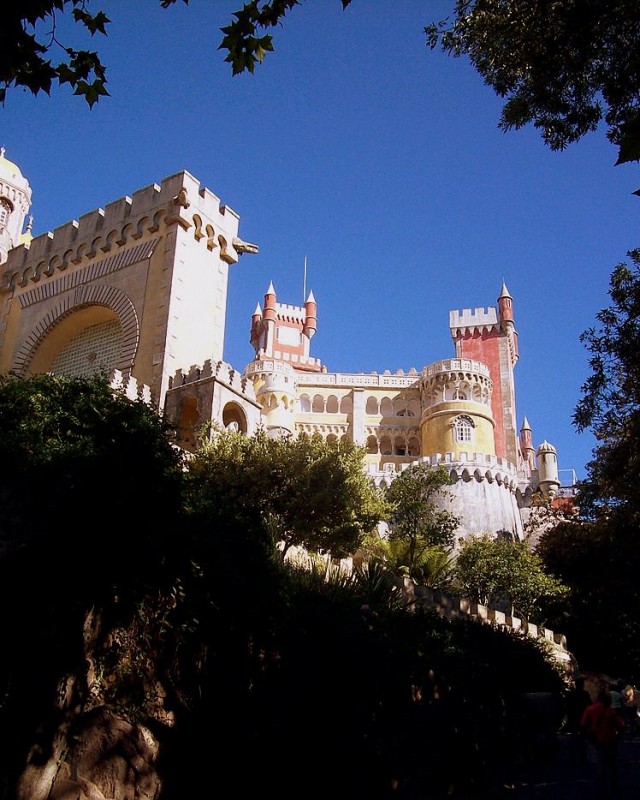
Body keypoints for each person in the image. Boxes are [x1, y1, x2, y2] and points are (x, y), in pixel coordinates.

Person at [581, 689, 626, 798]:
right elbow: (622, 725)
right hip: (611, 741)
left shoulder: (590, 709)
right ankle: (614, 787)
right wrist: (618, 736)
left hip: (597, 741)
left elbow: (583, 725)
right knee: (612, 765)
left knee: (600, 764)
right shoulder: (610, 711)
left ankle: (601, 789)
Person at [565, 677, 592, 765]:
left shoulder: (572, 694)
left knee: (573, 739)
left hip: (574, 719)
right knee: (583, 740)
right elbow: (589, 706)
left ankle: (572, 757)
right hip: (583, 719)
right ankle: (582, 757)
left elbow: (568, 708)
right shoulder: (585, 694)